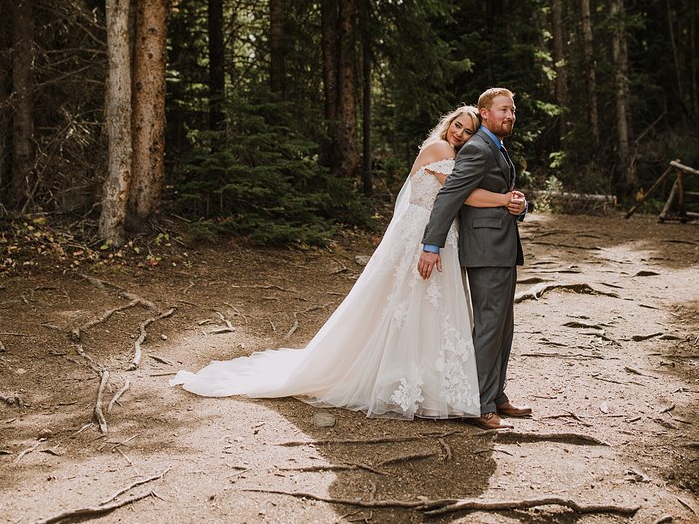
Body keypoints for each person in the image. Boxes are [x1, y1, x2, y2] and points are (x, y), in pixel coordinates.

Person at [171, 106, 522, 420]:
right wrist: (505, 199)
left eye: (467, 131)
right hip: (423, 232)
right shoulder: (441, 149)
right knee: (410, 302)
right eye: (457, 126)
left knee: (422, 306)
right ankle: (408, 377)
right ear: (448, 124)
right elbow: (457, 193)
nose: (460, 134)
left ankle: (427, 377)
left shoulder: (453, 151)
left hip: (435, 231)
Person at [418, 88, 530, 430]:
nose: (509, 115)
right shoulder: (478, 148)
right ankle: (478, 404)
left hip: (502, 246)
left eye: (512, 110)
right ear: (485, 113)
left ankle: (496, 395)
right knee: (489, 325)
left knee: (503, 327)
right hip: (485, 248)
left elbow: (503, 194)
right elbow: (452, 193)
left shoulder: (496, 146)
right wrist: (431, 244)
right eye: (503, 110)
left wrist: (521, 205)